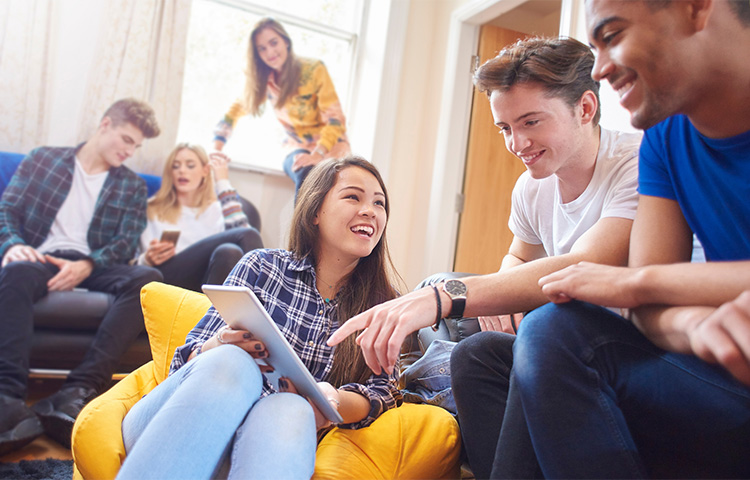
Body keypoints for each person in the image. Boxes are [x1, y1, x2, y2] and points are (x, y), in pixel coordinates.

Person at [330, 36, 641, 478]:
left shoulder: (635, 162)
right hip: (558, 329)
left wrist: (449, 295)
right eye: (505, 128)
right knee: (473, 353)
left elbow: (585, 265)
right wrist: (504, 294)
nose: (517, 143)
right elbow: (518, 255)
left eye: (531, 122)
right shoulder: (532, 186)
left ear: (586, 108)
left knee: (450, 297)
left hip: (620, 337)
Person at [489, 0, 750, 477]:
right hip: (722, 370)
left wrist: (635, 284)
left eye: (612, 35)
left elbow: (640, 283)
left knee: (555, 330)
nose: (602, 68)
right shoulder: (665, 138)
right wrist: (692, 324)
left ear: (696, 7)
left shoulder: (629, 155)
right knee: (522, 339)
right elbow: (651, 310)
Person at [116, 156, 403, 479]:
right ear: (315, 213)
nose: (370, 210)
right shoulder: (262, 268)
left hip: (256, 446)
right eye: (353, 196)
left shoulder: (384, 306)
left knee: (293, 408)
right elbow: (182, 367)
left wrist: (328, 400)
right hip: (173, 424)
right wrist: (220, 344)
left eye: (379, 203)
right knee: (231, 361)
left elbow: (383, 392)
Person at [0, 98, 163, 454]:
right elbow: (7, 209)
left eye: (136, 146)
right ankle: (7, 399)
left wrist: (88, 264)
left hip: (95, 264)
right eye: (125, 139)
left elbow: (124, 243)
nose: (130, 151)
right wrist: (11, 245)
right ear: (104, 125)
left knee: (147, 278)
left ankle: (76, 392)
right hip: (41, 257)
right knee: (15, 272)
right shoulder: (44, 159)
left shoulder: (131, 186)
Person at [213, 17, 351, 195]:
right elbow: (235, 111)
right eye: (262, 49)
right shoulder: (265, 80)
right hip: (296, 147)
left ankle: (308, 223)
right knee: (304, 172)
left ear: (285, 41)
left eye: (273, 43)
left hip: (330, 149)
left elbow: (335, 119)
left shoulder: (313, 70)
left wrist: (317, 154)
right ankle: (301, 224)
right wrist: (216, 148)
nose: (269, 52)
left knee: (322, 183)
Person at [135, 143, 263, 292]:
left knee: (229, 251)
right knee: (249, 234)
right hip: (165, 278)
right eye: (175, 166)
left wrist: (222, 181)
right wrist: (147, 259)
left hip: (204, 282)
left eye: (190, 166)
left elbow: (241, 233)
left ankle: (213, 314)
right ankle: (266, 297)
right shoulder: (152, 207)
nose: (182, 171)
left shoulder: (216, 210)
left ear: (205, 170)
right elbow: (134, 262)